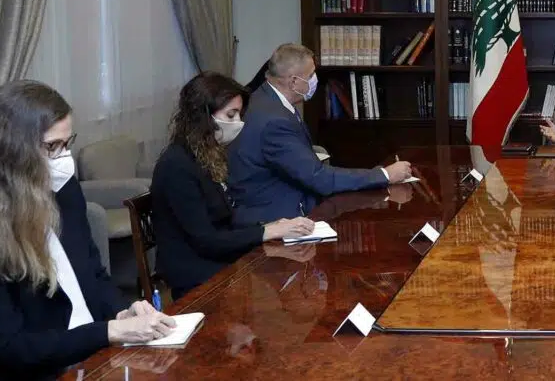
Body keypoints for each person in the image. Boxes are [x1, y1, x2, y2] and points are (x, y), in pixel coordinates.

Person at [0, 81, 177, 381]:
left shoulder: (62, 191)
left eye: (67, 144)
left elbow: (93, 274)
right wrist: (109, 331)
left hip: (89, 357)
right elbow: (11, 348)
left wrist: (122, 312)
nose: (65, 159)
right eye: (52, 147)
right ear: (6, 154)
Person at [151, 72, 317, 300]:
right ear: (204, 115)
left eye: (239, 114)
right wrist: (268, 231)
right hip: (196, 275)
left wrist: (270, 225)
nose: (238, 122)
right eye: (231, 114)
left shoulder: (204, 155)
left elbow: (223, 221)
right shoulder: (177, 166)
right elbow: (207, 240)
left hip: (219, 260)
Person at [227, 43, 414, 226]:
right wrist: (384, 174)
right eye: (310, 75)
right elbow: (319, 178)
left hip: (284, 199)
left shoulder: (266, 98)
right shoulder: (274, 120)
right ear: (293, 81)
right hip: (278, 215)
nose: (315, 80)